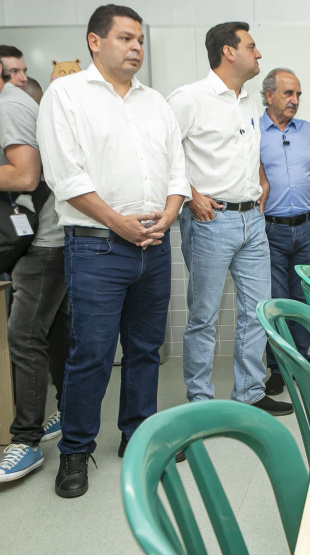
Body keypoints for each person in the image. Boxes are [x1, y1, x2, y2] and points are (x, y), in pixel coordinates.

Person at [36, 4, 190, 498]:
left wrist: (170, 211)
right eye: (125, 38)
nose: (136, 48)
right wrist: (119, 223)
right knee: (93, 354)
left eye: (140, 40)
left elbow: (176, 169)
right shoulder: (66, 95)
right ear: (94, 41)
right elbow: (65, 176)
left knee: (146, 350)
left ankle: (137, 434)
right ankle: (76, 451)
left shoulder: (155, 102)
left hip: (155, 245)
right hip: (98, 248)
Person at [167, 23, 292, 415]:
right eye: (252, 47)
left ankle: (250, 392)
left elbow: (246, 148)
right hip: (210, 220)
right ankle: (200, 402)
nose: (259, 54)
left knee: (258, 310)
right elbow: (161, 154)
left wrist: (261, 178)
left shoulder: (248, 101)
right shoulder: (189, 98)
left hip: (252, 219)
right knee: (203, 315)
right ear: (229, 52)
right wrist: (189, 195)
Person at [0, 49, 68, 484]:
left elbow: (25, 177)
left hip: (43, 243)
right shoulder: (17, 103)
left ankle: (24, 441)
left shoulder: (9, 105)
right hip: (50, 239)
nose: (23, 78)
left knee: (24, 335)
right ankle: (66, 412)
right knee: (57, 332)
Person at [258, 68, 310, 395]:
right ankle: (277, 368)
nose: (295, 100)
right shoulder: (251, 131)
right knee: (276, 301)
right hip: (270, 230)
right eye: (288, 94)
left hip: (306, 227)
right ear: (269, 95)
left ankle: (300, 360)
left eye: (298, 94)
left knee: (304, 298)